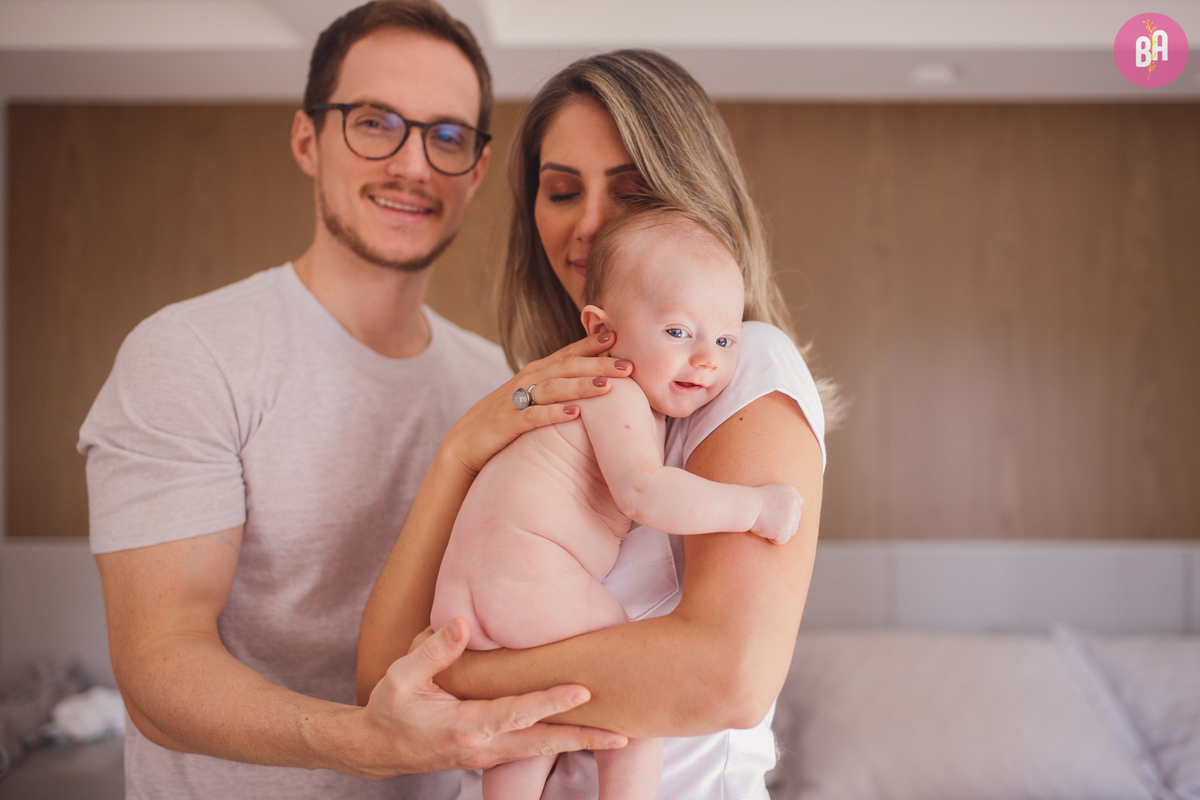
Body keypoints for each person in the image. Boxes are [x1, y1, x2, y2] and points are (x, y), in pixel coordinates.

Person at [75, 2, 632, 798]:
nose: (412, 165)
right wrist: (365, 742)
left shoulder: (501, 385)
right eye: (375, 123)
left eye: (446, 137)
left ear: (476, 171)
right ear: (308, 138)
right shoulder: (190, 355)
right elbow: (160, 667)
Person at [359, 49, 830, 799]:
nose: (589, 223)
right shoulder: (547, 396)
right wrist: (459, 453)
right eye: (561, 190)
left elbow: (730, 676)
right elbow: (379, 682)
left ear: (692, 195)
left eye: (631, 188)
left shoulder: (746, 367)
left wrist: (460, 678)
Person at [429, 204, 804, 800]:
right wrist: (754, 509)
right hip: (524, 576)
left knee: (531, 717)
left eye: (725, 338)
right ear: (603, 331)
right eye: (679, 332)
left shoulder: (573, 396)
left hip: (472, 594)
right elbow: (646, 492)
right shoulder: (613, 389)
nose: (707, 358)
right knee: (636, 695)